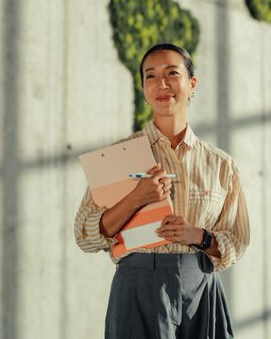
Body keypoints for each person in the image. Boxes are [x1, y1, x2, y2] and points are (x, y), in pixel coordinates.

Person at [74, 43, 250, 339]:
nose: (162, 84)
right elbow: (85, 235)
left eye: (172, 73)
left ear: (192, 84)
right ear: (143, 88)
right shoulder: (118, 156)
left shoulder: (222, 165)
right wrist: (137, 197)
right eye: (151, 76)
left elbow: (237, 240)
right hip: (138, 287)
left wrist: (199, 236)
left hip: (202, 286)